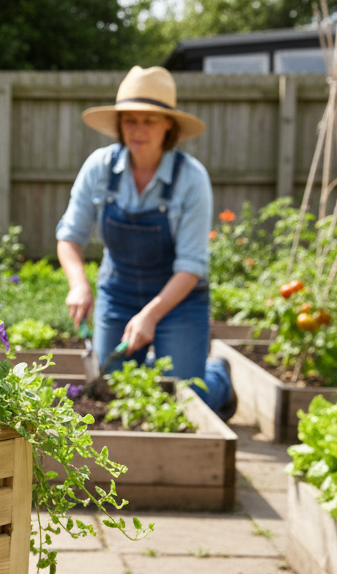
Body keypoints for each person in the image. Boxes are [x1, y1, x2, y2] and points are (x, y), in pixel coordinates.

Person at [55, 65, 235, 419]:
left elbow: (191, 266)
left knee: (183, 404)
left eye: (148, 121)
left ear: (168, 124)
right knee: (115, 397)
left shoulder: (190, 178)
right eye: (129, 120)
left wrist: (150, 315)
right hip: (118, 295)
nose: (137, 130)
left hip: (180, 301)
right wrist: (79, 285)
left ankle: (218, 377)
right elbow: (68, 237)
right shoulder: (100, 168)